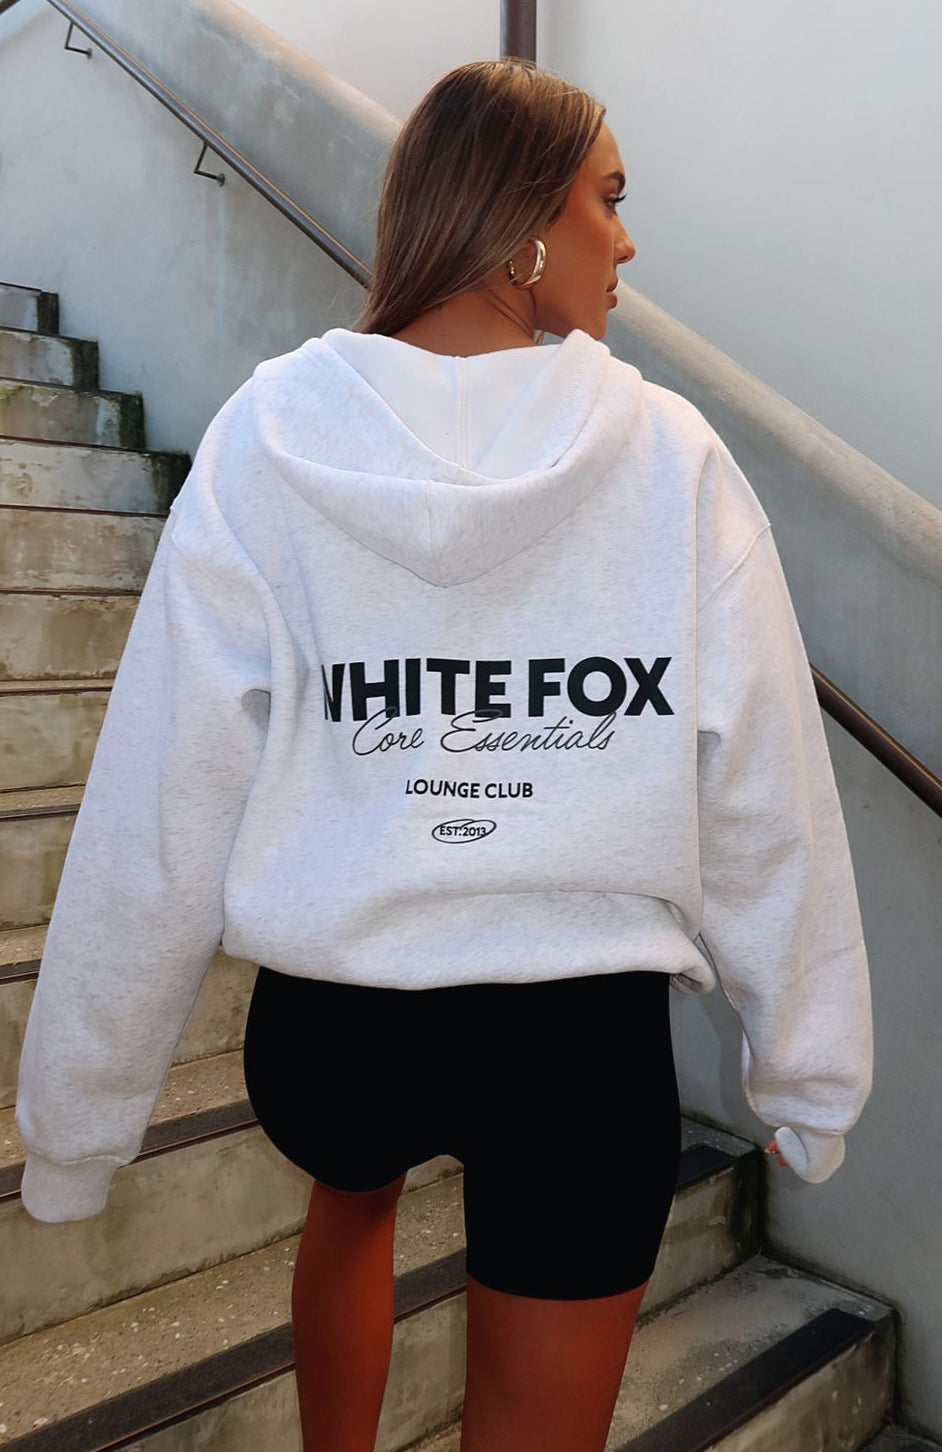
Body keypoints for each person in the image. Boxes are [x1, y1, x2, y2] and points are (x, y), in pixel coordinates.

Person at [14, 57, 872, 1452]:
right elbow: (763, 787)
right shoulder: (669, 457)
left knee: (347, 1201)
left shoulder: (270, 436)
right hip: (575, 1041)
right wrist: (809, 1068)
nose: (626, 242)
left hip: (340, 1018)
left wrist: (78, 1121)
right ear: (522, 223)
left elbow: (165, 792)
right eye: (609, 199)